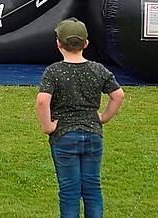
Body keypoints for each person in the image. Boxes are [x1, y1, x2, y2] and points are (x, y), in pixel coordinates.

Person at [36, 19, 125, 218]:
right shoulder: (98, 69)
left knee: (69, 192)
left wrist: (48, 126)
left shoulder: (54, 71)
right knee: (93, 189)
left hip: (64, 136)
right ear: (86, 44)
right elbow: (118, 95)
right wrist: (104, 118)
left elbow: (43, 101)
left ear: (58, 43)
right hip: (93, 134)